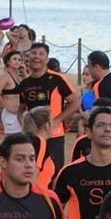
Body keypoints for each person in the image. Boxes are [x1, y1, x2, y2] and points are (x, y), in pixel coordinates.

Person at [18, 43, 79, 174]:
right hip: (32, 136)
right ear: (28, 57)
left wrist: (57, 120)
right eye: (34, 53)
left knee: (54, 174)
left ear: (47, 59)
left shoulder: (57, 79)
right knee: (31, 172)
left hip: (54, 135)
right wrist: (23, 127)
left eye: (41, 54)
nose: (37, 57)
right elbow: (22, 108)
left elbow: (75, 102)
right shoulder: (24, 83)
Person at [0, 50, 25, 135]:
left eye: (19, 59)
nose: (17, 61)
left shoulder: (17, 76)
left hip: (18, 113)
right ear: (8, 62)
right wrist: (7, 107)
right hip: (10, 113)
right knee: (12, 141)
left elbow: (28, 86)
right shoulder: (5, 76)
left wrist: (24, 73)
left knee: (20, 141)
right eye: (14, 59)